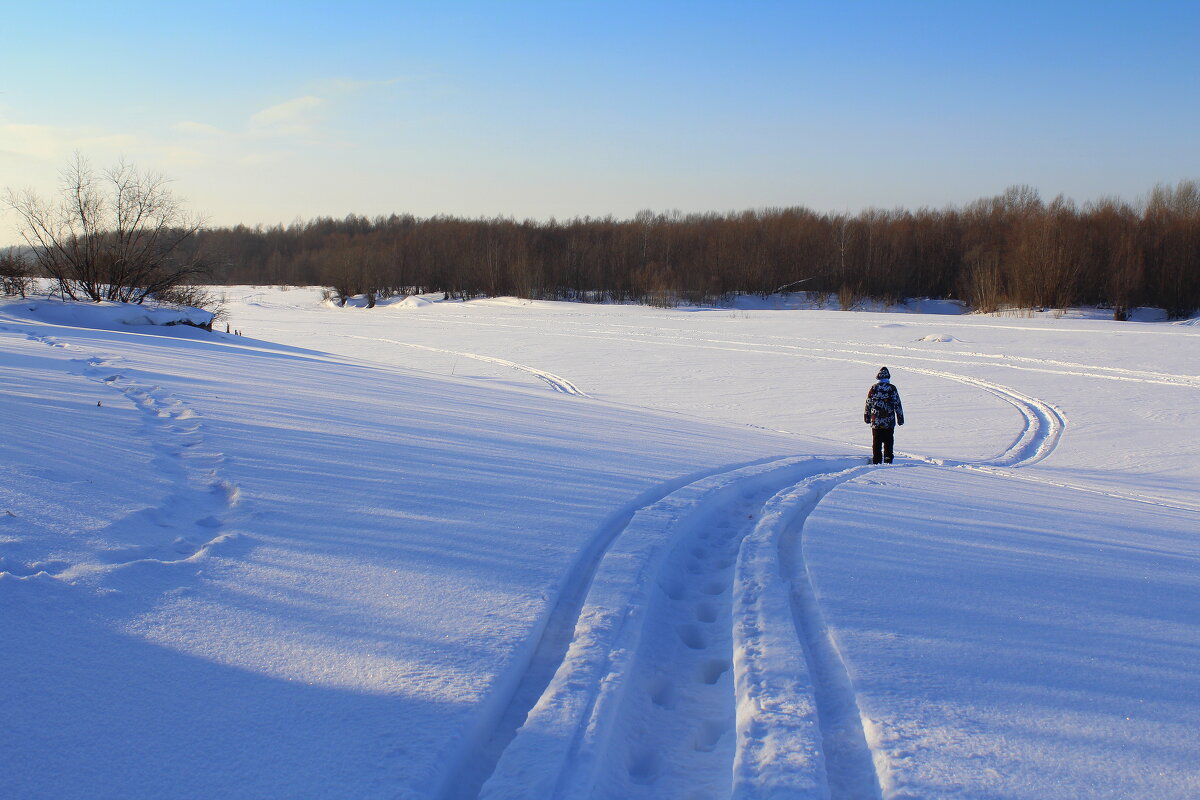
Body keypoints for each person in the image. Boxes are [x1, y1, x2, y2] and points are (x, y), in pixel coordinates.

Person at [864, 367, 904, 464]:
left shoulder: (873, 388)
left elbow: (868, 403)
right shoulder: (892, 388)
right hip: (889, 422)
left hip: (875, 421)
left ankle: (876, 460)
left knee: (876, 442)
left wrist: (867, 415)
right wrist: (900, 418)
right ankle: (888, 459)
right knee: (888, 441)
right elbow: (897, 404)